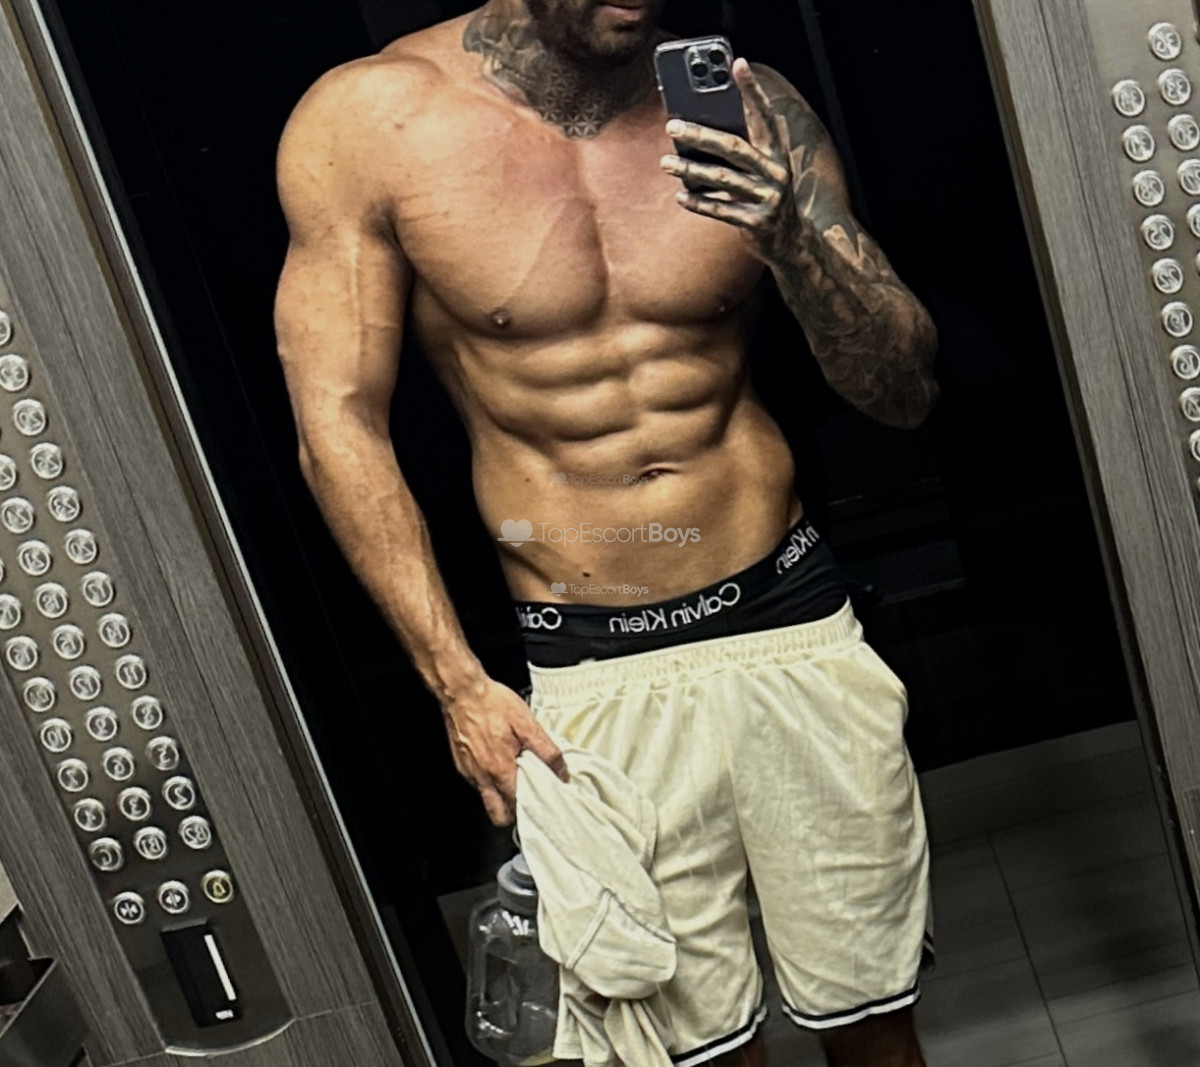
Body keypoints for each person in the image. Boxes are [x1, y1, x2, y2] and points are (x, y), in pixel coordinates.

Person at [273, 1, 938, 1064]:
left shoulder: (750, 109)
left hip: (792, 626)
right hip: (595, 668)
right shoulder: (371, 124)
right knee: (685, 1045)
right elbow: (338, 426)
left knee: (875, 1027)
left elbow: (902, 391)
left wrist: (791, 241)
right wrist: (457, 685)